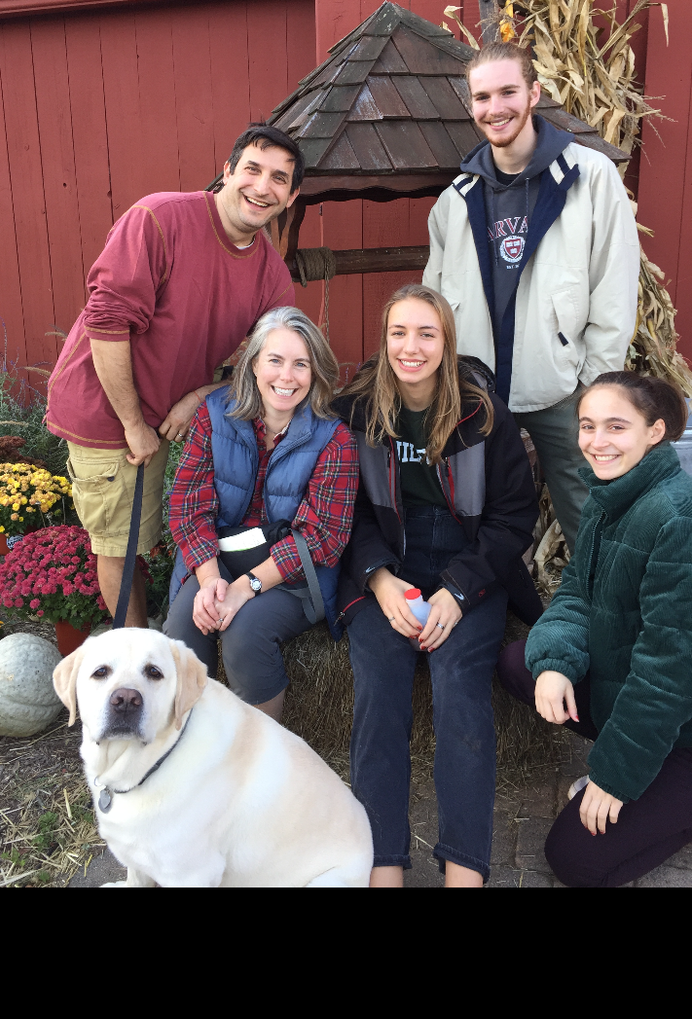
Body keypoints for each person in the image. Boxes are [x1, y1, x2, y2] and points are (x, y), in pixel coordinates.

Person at [45, 124, 302, 628]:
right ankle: (137, 654)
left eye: (279, 179)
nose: (262, 187)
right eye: (252, 169)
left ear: (291, 196)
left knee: (144, 537)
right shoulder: (160, 218)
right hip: (107, 411)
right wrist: (133, 424)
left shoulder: (271, 272)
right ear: (227, 172)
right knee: (121, 545)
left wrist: (200, 396)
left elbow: (272, 358)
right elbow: (107, 323)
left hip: (166, 411)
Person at [333, 285, 539, 887]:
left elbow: (512, 520)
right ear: (384, 339)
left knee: (459, 690)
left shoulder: (484, 414)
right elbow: (349, 512)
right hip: (387, 561)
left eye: (426, 333)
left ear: (446, 341)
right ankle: (383, 864)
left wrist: (457, 589)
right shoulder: (358, 412)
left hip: (468, 560)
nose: (411, 347)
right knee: (377, 691)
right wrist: (377, 579)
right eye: (399, 333)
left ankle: (464, 869)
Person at [423, 41, 640, 553]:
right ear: (470, 105)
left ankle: (602, 607)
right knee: (468, 505)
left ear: (534, 93)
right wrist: (443, 383)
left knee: (589, 511)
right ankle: (480, 600)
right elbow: (433, 300)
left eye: (507, 92)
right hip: (475, 389)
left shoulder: (590, 177)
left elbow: (613, 287)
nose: (494, 108)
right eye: (482, 96)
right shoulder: (455, 200)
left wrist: (595, 385)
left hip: (562, 386)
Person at [497, 371, 692, 888]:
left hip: (682, 724)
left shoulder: (677, 519)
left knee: (574, 860)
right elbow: (576, 596)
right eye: (587, 425)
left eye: (616, 426)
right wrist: (557, 664)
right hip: (638, 692)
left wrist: (613, 776)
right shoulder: (615, 496)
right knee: (524, 665)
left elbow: (666, 674)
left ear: (655, 431)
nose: (597, 442)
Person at [164, 306, 359, 722]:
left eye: (300, 364)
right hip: (216, 558)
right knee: (183, 629)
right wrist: (213, 581)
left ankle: (260, 761)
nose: (286, 377)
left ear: (316, 372)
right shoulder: (214, 413)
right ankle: (189, 753)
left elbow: (323, 536)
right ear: (253, 364)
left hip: (292, 572)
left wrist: (246, 587)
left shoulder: (334, 437)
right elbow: (187, 504)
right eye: (275, 360)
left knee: (245, 634)